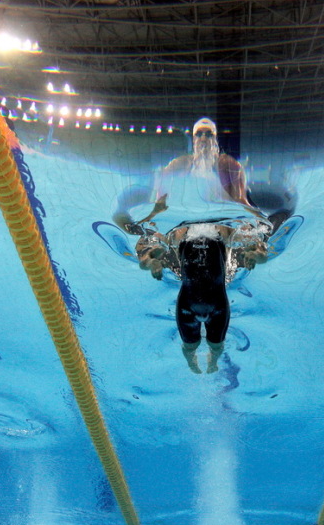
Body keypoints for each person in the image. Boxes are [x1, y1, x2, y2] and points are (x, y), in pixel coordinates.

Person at [136, 221, 269, 374]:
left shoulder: (223, 229)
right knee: (190, 346)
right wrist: (153, 263)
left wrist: (254, 255)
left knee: (216, 345)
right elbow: (145, 258)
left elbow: (261, 253)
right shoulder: (178, 232)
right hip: (187, 307)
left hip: (218, 306)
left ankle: (212, 361)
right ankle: (190, 360)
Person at [115, 118, 262, 233]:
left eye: (208, 134)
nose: (204, 138)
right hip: (187, 217)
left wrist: (259, 220)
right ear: (194, 139)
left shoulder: (229, 165)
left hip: (221, 217)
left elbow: (240, 201)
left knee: (231, 231)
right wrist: (149, 220)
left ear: (215, 140)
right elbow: (161, 202)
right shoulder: (178, 164)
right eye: (199, 134)